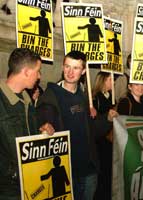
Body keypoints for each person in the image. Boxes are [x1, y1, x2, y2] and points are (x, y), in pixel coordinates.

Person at [36, 51, 116, 200]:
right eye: (67, 66)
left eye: (76, 68)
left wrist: (107, 119)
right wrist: (42, 128)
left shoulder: (83, 96)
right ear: (62, 67)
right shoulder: (50, 97)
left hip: (88, 170)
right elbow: (39, 130)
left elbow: (91, 131)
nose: (70, 72)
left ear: (84, 71)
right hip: (66, 172)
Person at [0, 48, 54, 200]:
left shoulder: (27, 101)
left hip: (29, 185)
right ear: (26, 72)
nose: (39, 76)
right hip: (7, 190)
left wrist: (40, 132)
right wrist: (15, 172)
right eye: (38, 71)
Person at [92, 71, 114, 200]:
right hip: (100, 142)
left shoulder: (111, 97)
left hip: (110, 140)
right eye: (111, 79)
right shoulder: (95, 98)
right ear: (103, 81)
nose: (113, 82)